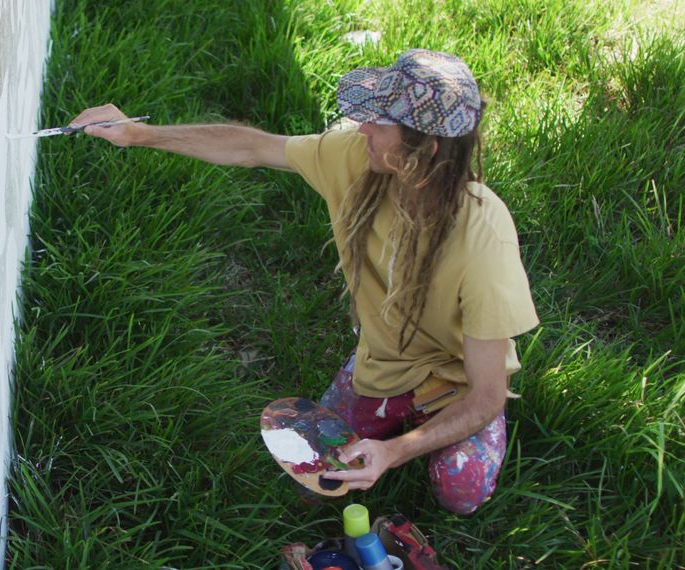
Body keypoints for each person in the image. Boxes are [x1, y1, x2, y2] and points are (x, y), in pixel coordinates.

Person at [70, 49, 538, 514]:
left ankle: (431, 430)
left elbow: (486, 393)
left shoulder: (483, 236)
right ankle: (375, 383)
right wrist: (137, 133)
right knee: (316, 466)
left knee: (461, 491)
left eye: (379, 122)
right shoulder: (355, 159)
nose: (363, 128)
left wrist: (393, 452)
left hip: (458, 381)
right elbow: (251, 146)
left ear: (425, 151)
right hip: (385, 362)